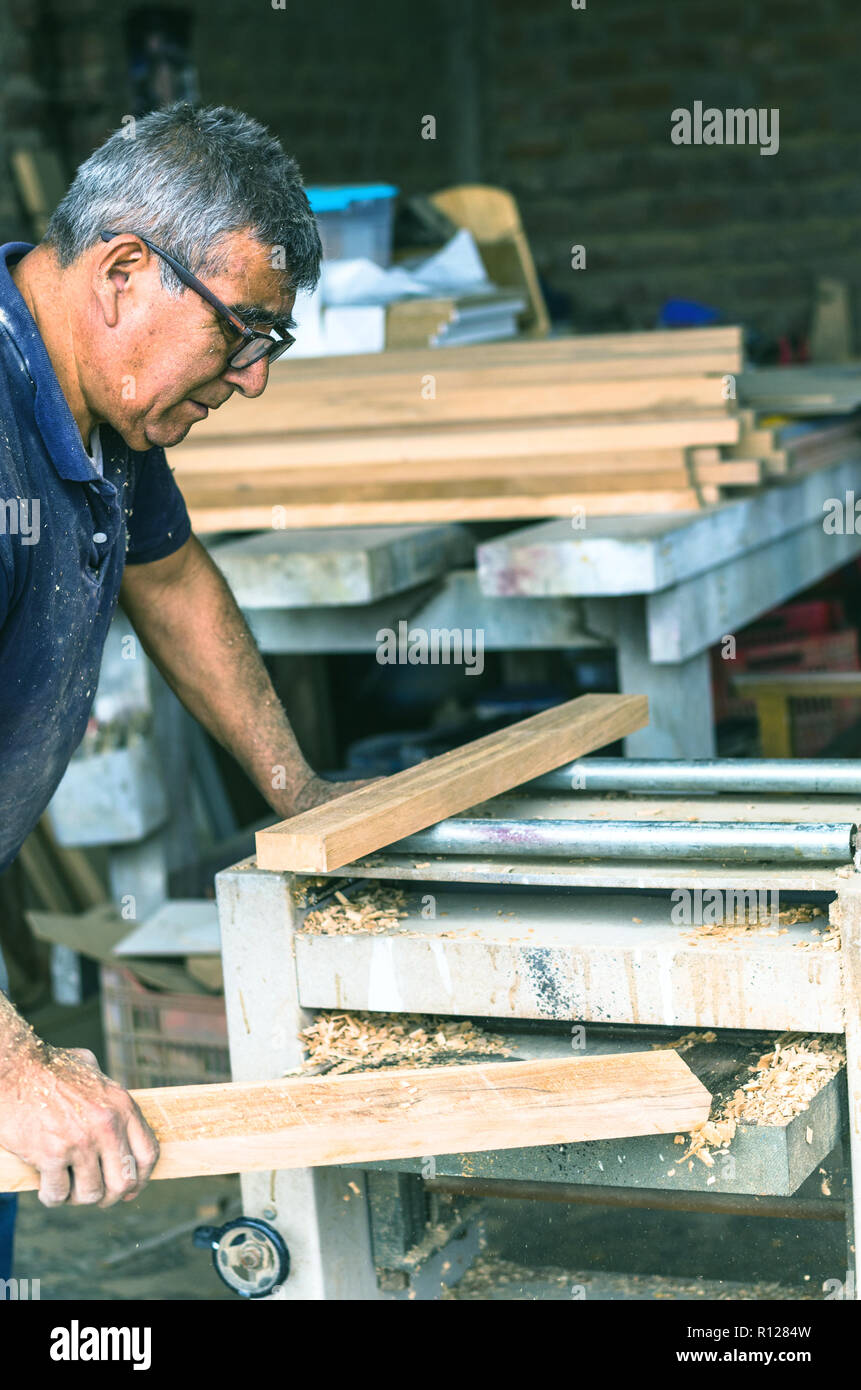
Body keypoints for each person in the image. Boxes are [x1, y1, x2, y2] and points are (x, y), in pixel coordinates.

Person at [0, 103, 366, 1279]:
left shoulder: (93, 392)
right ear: (120, 275)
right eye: (245, 332)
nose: (252, 381)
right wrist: (12, 1066)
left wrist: (298, 789)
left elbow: (169, 579)